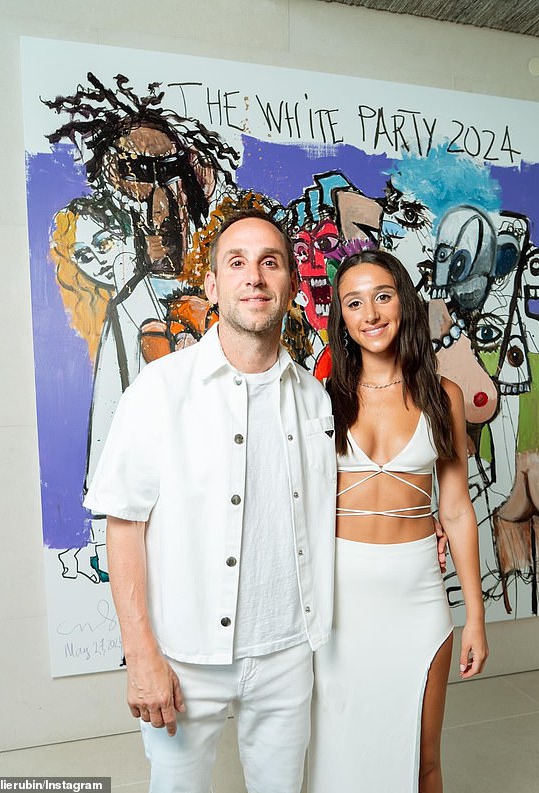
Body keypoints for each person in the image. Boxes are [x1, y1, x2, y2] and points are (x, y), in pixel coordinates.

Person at [83, 209, 337, 793]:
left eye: (270, 263)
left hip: (287, 652)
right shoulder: (157, 390)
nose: (254, 277)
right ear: (212, 285)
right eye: (237, 262)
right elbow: (124, 524)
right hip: (184, 658)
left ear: (291, 286)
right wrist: (140, 654)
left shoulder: (316, 401)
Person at [309, 249, 488, 793]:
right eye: (354, 303)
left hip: (417, 595)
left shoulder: (443, 396)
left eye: (383, 296)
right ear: (342, 316)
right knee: (338, 755)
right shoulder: (322, 400)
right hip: (340, 598)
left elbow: (455, 509)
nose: (371, 314)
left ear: (404, 303)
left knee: (423, 758)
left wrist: (476, 616)